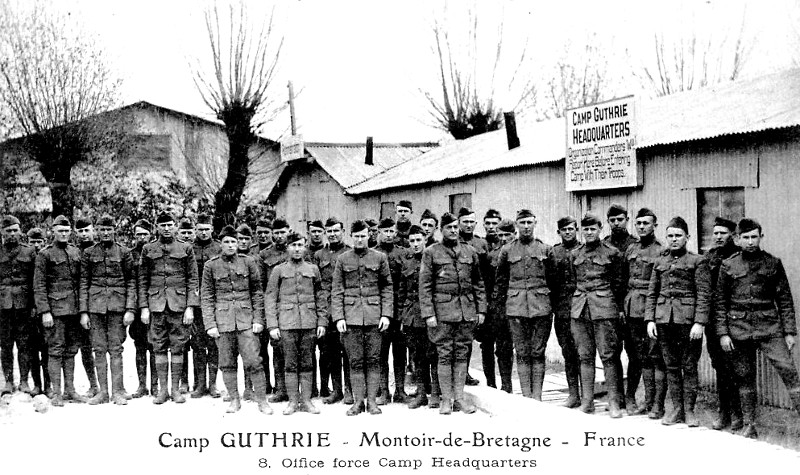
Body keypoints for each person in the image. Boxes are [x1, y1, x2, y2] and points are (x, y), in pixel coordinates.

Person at [714, 218, 800, 438]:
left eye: (754, 237)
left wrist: (789, 332)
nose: (750, 242)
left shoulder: (773, 263)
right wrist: (723, 333)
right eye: (746, 237)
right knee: (744, 376)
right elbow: (720, 303)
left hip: (769, 327)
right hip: (739, 329)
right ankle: (749, 425)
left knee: (789, 372)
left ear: (761, 237)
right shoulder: (729, 265)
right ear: (738, 239)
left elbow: (785, 300)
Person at [646, 217, 711, 427]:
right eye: (670, 236)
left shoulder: (697, 261)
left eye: (678, 236)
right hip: (664, 322)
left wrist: (699, 323)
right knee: (671, 367)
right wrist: (650, 320)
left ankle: (690, 411)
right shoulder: (660, 262)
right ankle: (677, 410)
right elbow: (652, 293)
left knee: (689, 366)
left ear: (687, 238)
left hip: (688, 324)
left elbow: (704, 295)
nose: (674, 240)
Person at [420, 212, 487, 414]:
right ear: (441, 230)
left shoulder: (470, 251)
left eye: (456, 227)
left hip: (466, 312)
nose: (453, 231)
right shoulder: (431, 252)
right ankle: (446, 400)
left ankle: (459, 399)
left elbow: (478, 283)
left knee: (461, 354)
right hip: (442, 313)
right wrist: (429, 314)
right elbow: (425, 286)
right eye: (449, 227)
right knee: (444, 355)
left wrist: (481, 310)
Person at [201, 225, 270, 414]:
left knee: (254, 361)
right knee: (227, 363)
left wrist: (258, 319)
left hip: (246, 320)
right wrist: (210, 325)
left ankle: (262, 401)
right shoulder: (211, 265)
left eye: (234, 241)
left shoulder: (249, 262)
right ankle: (234, 400)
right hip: (223, 321)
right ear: (220, 244)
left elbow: (257, 292)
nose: (231, 245)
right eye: (227, 242)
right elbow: (207, 297)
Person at [331, 220, 393, 416]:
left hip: (375, 318)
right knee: (355, 361)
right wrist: (339, 317)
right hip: (351, 319)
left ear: (369, 236)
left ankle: (372, 402)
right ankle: (358, 402)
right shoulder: (342, 259)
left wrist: (386, 314)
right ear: (351, 236)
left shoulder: (380, 257)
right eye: (356, 236)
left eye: (363, 236)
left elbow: (387, 287)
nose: (359, 239)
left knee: (374, 360)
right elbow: (337, 290)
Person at [138, 212, 199, 405]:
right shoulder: (148, 249)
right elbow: (142, 280)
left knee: (178, 346)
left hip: (178, 306)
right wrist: (144, 307)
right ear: (156, 226)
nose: (166, 228)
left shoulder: (186, 248)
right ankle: (163, 390)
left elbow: (193, 279)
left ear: (175, 226)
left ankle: (175, 389)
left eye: (170, 224)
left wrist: (190, 307)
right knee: (159, 346)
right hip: (156, 306)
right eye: (162, 225)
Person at [494, 210, 556, 400]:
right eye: (522, 223)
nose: (526, 226)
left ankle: (537, 396)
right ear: (517, 225)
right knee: (521, 352)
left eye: (529, 222)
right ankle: (526, 397)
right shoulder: (507, 251)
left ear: (535, 223)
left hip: (541, 307)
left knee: (537, 352)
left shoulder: (546, 249)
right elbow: (501, 281)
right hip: (516, 307)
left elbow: (553, 281)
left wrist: (549, 305)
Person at [569, 213, 625, 417]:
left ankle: (614, 402)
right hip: (580, 308)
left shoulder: (612, 253)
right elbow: (573, 280)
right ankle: (587, 401)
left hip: (604, 308)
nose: (589, 232)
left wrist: (616, 309)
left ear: (601, 229)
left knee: (608, 356)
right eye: (585, 229)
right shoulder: (575, 254)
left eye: (593, 228)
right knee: (585, 356)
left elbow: (619, 284)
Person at [266, 232, 327, 415]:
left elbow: (320, 297)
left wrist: (322, 322)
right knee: (290, 364)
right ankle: (293, 402)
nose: (297, 249)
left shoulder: (313, 269)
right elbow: (270, 298)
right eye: (293, 245)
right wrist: (273, 325)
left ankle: (307, 401)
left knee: (308, 363)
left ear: (305, 246)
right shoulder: (278, 270)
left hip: (308, 323)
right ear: (287, 248)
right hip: (287, 324)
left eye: (300, 245)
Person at [78, 214, 136, 405]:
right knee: (99, 349)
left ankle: (118, 391)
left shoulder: (125, 252)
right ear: (97, 230)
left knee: (116, 349)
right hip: (95, 307)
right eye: (102, 229)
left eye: (108, 229)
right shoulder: (88, 253)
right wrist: (84, 312)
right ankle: (103, 392)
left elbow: (131, 282)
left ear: (114, 230)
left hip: (118, 307)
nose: (105, 233)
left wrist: (130, 309)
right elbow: (84, 282)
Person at [33, 215, 86, 406]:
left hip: (74, 311)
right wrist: (45, 311)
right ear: (52, 232)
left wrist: (82, 310)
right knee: (55, 350)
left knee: (71, 350)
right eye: (60, 231)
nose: (63, 234)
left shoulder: (75, 252)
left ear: (70, 232)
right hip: (55, 312)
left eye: (66, 231)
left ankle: (70, 390)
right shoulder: (44, 255)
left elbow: (81, 282)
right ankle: (56, 393)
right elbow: (39, 286)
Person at [621, 208, 666, 417]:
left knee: (653, 356)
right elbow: (623, 280)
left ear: (654, 225)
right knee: (636, 356)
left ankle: (655, 403)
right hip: (631, 309)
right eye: (638, 223)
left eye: (646, 223)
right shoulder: (631, 249)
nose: (641, 227)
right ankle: (637, 400)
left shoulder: (661, 251)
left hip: (651, 310)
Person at [704, 216, 743, 430]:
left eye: (723, 233)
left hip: (735, 320)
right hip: (713, 322)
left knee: (737, 368)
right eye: (715, 233)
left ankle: (738, 414)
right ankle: (724, 412)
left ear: (732, 236)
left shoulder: (739, 257)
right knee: (720, 367)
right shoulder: (708, 257)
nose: (718, 237)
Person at [398, 225, 439, 408]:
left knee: (435, 354)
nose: (415, 244)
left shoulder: (434, 258)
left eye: (418, 240)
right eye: (412, 241)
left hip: (431, 315)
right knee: (418, 356)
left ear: (425, 239)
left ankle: (436, 394)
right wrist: (402, 318)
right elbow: (402, 292)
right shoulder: (407, 262)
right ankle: (422, 394)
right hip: (412, 316)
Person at [313, 217, 352, 405]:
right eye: (329, 231)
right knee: (331, 353)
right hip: (327, 311)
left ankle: (350, 390)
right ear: (325, 233)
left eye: (336, 230)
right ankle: (336, 390)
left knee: (350, 352)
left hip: (347, 309)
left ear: (342, 231)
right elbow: (317, 287)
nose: (333, 234)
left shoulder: (351, 253)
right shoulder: (319, 255)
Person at [476, 208, 512, 391]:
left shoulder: (509, 250)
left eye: (495, 224)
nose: (492, 228)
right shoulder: (485, 251)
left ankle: (507, 385)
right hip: (489, 306)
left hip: (507, 304)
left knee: (505, 346)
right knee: (487, 345)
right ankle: (490, 383)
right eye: (488, 224)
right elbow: (482, 281)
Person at [0, 215, 36, 395]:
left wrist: (35, 306)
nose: (12, 234)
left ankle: (23, 381)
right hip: (3, 306)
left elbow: (35, 281)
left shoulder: (29, 252)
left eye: (15, 230)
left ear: (20, 231)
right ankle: (8, 381)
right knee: (5, 345)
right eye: (8, 231)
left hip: (24, 306)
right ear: (2, 232)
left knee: (24, 344)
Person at [258, 217, 292, 402]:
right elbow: (262, 287)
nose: (279, 236)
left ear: (289, 230)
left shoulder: (296, 250)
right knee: (277, 349)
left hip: (294, 307)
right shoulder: (264, 255)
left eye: (282, 232)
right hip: (275, 309)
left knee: (298, 350)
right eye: (276, 233)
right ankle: (280, 389)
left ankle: (304, 388)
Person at [376, 217, 408, 403]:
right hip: (379, 311)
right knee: (381, 352)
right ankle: (383, 391)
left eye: (391, 231)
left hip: (399, 309)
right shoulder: (373, 254)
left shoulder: (404, 253)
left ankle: (400, 390)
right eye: (385, 231)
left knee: (400, 351)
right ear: (379, 232)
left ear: (396, 233)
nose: (388, 234)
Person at [190, 213, 222, 398]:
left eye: (206, 229)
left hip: (215, 303)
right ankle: (200, 384)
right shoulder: (188, 248)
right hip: (196, 304)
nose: (203, 233)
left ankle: (213, 384)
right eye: (200, 229)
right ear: (195, 230)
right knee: (197, 344)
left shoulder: (219, 247)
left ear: (212, 230)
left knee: (214, 344)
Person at [457, 207, 489, 386]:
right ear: (459, 223)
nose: (468, 225)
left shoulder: (481, 244)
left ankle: (465, 372)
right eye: (465, 222)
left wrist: (482, 304)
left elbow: (482, 277)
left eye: (471, 222)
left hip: (473, 298)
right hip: (457, 298)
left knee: (468, 338)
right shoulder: (454, 241)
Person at [551, 216, 581, 407]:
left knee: (584, 353)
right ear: (559, 232)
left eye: (571, 229)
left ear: (576, 229)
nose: (568, 232)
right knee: (568, 353)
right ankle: (573, 394)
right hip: (562, 310)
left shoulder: (584, 250)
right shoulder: (553, 253)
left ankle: (587, 394)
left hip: (581, 309)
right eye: (564, 230)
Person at [129, 219, 158, 398]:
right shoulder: (129, 255)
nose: (141, 238)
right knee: (139, 346)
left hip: (155, 305)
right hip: (138, 307)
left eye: (145, 234)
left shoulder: (155, 253)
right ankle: (141, 385)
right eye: (138, 234)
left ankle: (155, 385)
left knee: (155, 345)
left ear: (151, 235)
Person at [74, 217, 100, 398]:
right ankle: (93, 384)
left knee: (100, 346)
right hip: (77, 305)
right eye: (81, 231)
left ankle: (106, 386)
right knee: (84, 347)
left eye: (87, 230)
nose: (84, 234)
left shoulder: (100, 250)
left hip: (97, 305)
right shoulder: (73, 252)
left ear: (93, 231)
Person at [26, 226, 49, 395]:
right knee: (32, 349)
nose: (35, 245)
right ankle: (37, 384)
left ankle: (48, 385)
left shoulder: (47, 258)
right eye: (32, 242)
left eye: (38, 242)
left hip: (46, 309)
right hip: (28, 311)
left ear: (44, 242)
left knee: (47, 349)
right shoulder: (26, 259)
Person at [175, 217, 195, 394]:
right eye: (184, 232)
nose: (187, 235)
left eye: (190, 232)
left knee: (199, 343)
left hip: (200, 303)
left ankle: (202, 383)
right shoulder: (179, 249)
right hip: (179, 303)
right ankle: (183, 381)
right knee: (181, 344)